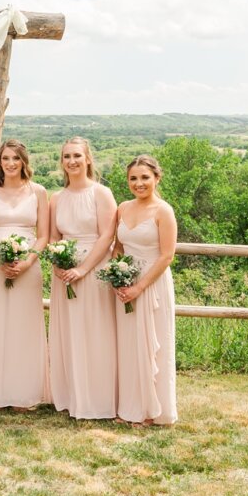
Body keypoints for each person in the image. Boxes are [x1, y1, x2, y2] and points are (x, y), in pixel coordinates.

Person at [0, 139, 51, 411]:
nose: (10, 163)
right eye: (5, 158)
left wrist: (28, 261)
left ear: (23, 162)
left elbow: (44, 236)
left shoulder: (39, 192)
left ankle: (24, 392)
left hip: (28, 268)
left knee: (24, 325)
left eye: (15, 159)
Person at [47, 136, 118, 419]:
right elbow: (54, 236)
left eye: (77, 156)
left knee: (95, 331)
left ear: (88, 159)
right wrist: (58, 264)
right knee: (70, 332)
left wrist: (83, 269)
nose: (72, 161)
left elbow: (107, 235)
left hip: (93, 269)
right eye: (67, 157)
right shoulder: (57, 198)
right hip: (64, 271)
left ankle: (98, 399)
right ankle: (72, 395)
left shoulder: (101, 193)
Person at [112, 155, 178, 427]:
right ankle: (132, 408)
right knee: (129, 346)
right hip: (126, 282)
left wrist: (139, 286)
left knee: (153, 345)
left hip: (152, 282)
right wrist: (117, 274)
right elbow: (118, 246)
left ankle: (153, 410)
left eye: (145, 178)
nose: (139, 183)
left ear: (157, 178)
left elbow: (166, 256)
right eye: (133, 178)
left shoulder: (163, 211)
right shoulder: (122, 208)